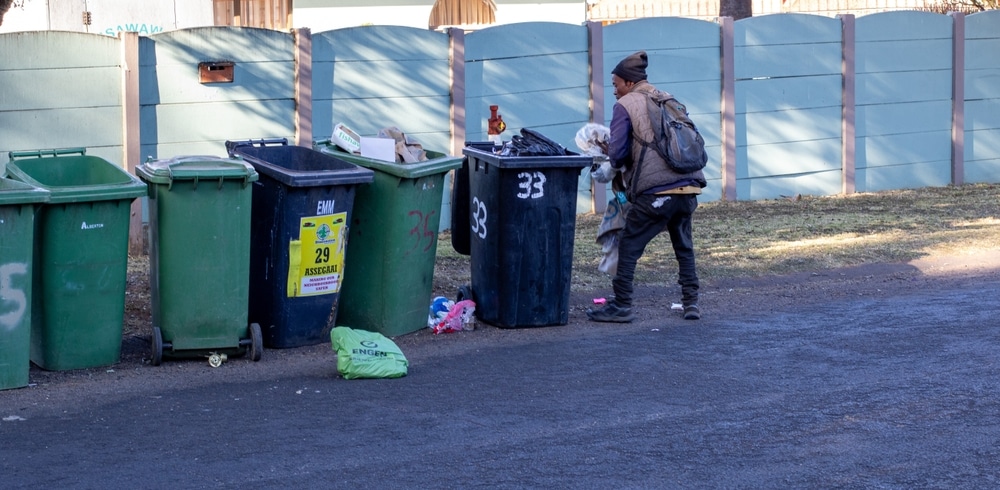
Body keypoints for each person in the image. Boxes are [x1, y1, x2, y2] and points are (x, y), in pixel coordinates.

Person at [587, 51, 707, 323]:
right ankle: (691, 303)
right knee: (684, 246)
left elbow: (617, 156)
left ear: (629, 83)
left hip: (656, 193)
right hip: (688, 189)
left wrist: (609, 154)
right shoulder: (667, 98)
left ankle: (621, 305)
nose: (614, 91)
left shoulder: (626, 105)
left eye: (616, 84)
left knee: (628, 244)